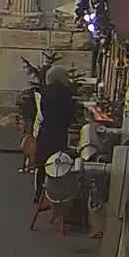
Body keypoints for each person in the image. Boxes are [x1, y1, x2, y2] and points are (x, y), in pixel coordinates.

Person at [33, 66, 80, 203]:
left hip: (46, 131)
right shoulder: (66, 93)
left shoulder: (44, 92)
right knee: (57, 161)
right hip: (59, 132)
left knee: (42, 162)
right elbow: (70, 115)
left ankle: (38, 192)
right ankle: (56, 191)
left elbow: (42, 113)